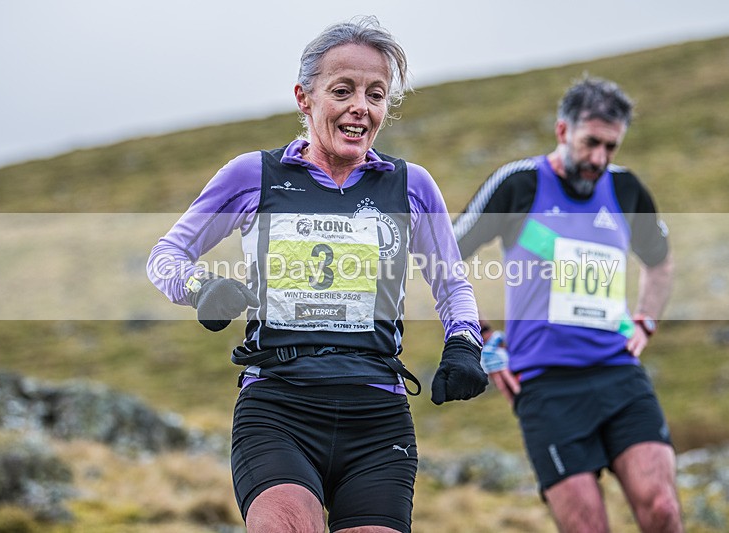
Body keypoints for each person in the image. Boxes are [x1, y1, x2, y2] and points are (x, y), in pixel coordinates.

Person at [147, 16, 487, 533]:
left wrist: (464, 345)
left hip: (377, 418)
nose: (361, 107)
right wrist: (202, 290)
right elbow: (166, 257)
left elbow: (451, 284)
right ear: (304, 98)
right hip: (278, 407)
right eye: (343, 90)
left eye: (376, 94)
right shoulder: (253, 175)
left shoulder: (411, 186)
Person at [453, 77, 682, 532]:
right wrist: (484, 340)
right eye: (590, 142)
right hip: (544, 387)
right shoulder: (518, 185)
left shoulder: (626, 190)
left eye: (611, 147)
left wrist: (646, 320)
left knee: (662, 510)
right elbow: (446, 258)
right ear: (562, 131)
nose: (599, 158)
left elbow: (660, 263)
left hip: (618, 375)